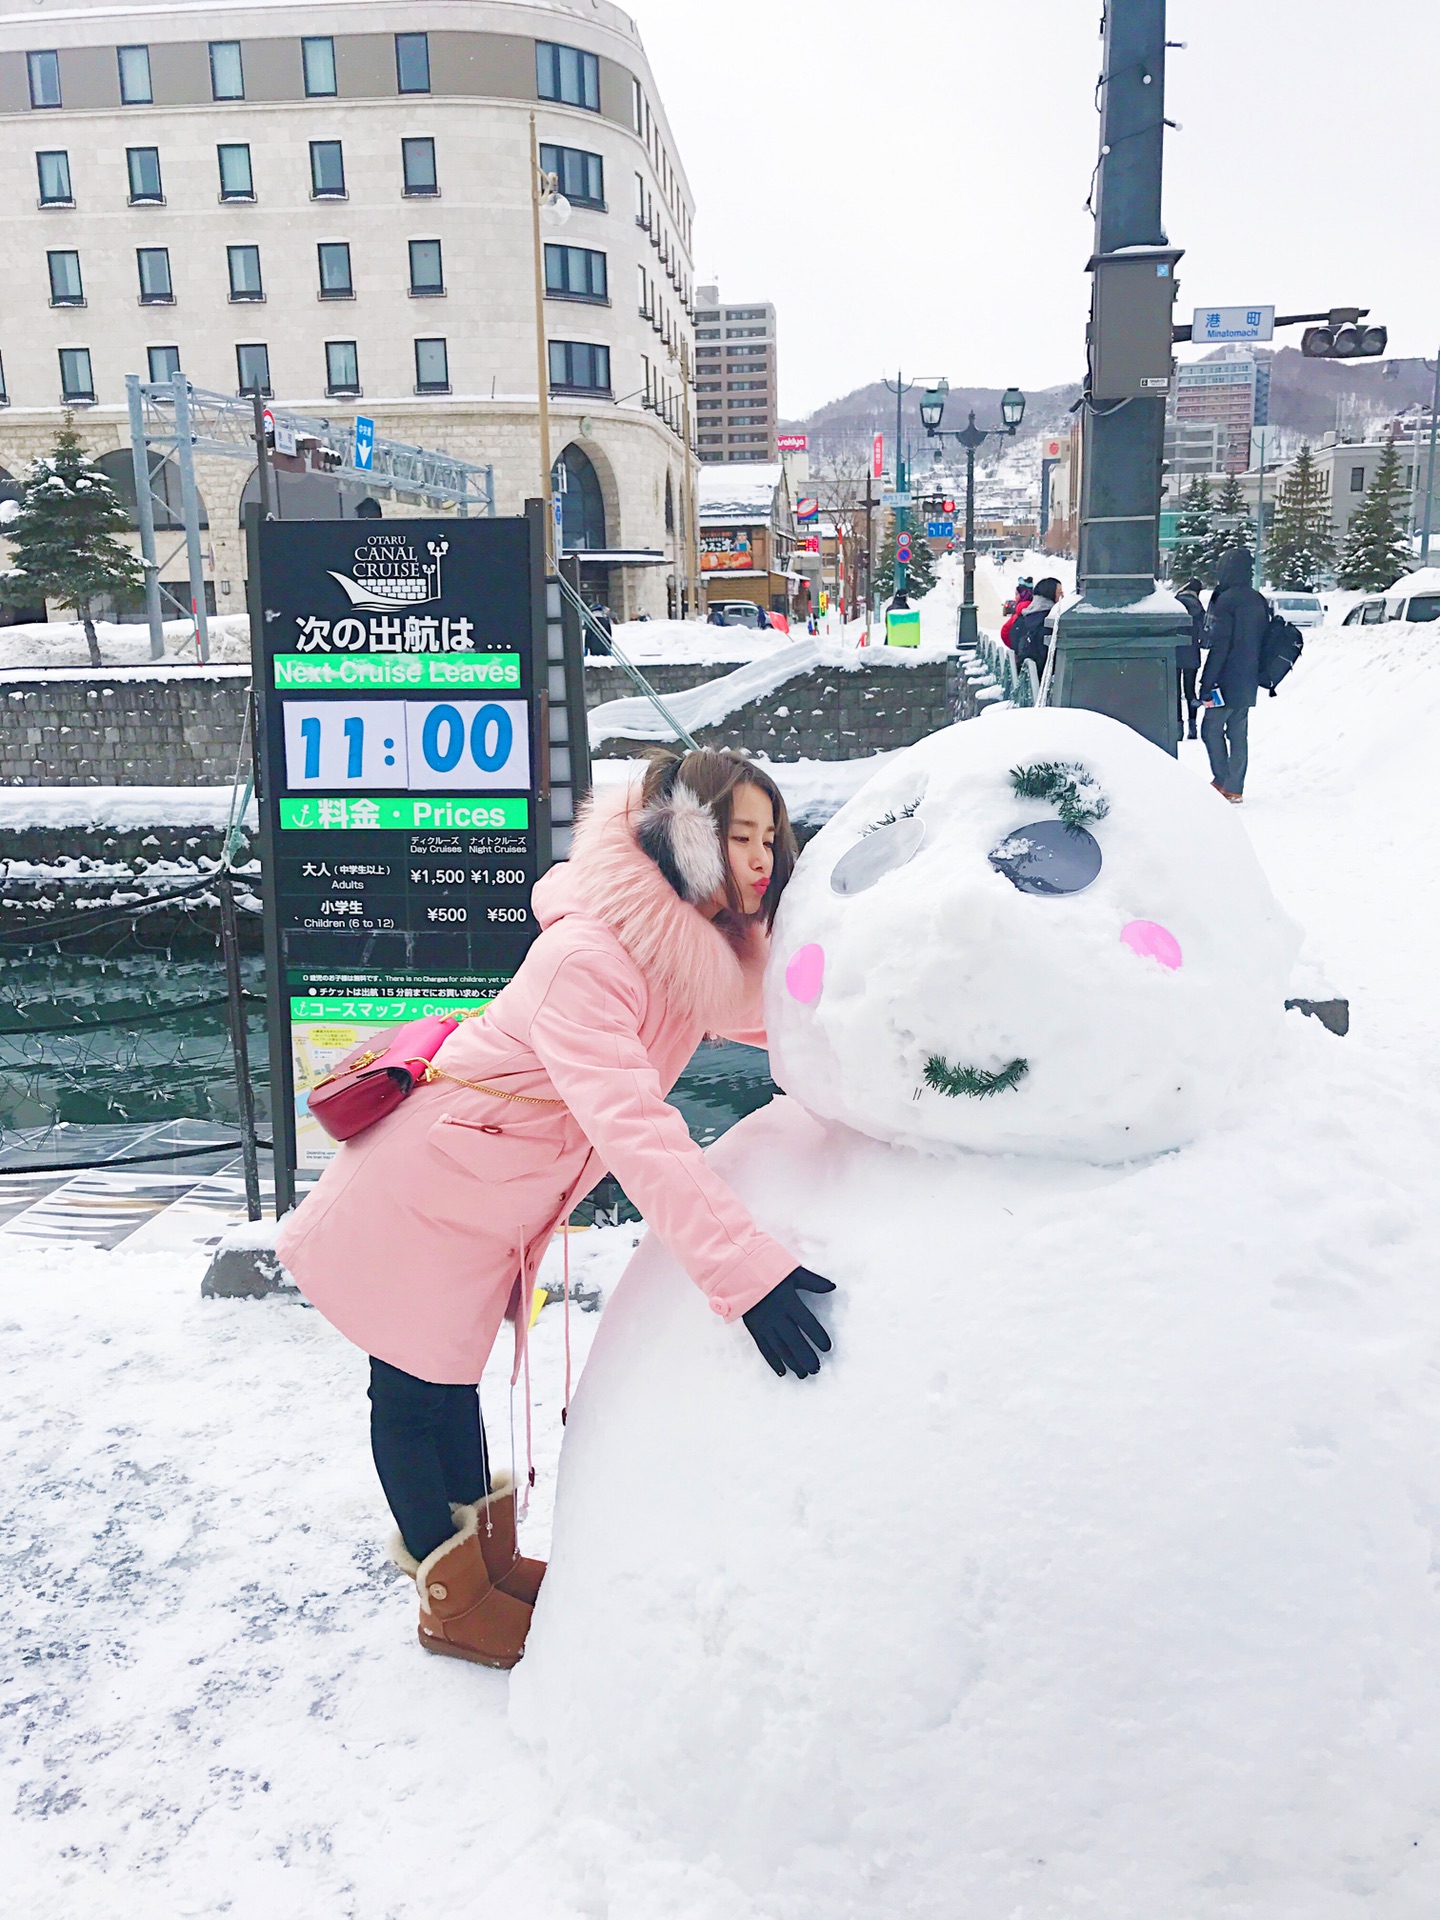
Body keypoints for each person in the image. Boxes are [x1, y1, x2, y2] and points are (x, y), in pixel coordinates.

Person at [276, 750, 835, 1670]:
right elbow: (637, 1133)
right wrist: (747, 1273)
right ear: (679, 839)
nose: (761, 857)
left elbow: (770, 1019)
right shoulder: (589, 958)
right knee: (414, 1392)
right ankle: (451, 1599)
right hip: (423, 1191)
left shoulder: (682, 950)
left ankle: (487, 1567)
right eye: (737, 836)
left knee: (446, 1380)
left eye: (770, 836)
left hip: (476, 1195)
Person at [1199, 548, 1269, 803]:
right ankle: (1235, 787)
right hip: (1249, 677)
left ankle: (1221, 779)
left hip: (1224, 678)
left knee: (1211, 729)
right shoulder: (1257, 599)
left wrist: (1207, 683)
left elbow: (1220, 646)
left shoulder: (1226, 600)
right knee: (1238, 733)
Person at [1011, 577, 1063, 683]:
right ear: (1050, 595)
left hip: (1025, 680)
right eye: (1059, 592)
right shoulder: (1050, 621)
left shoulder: (1023, 617)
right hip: (1043, 682)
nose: (1063, 596)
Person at [1174, 577, 1205, 740]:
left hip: (1174, 652)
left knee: (1175, 692)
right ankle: (1193, 727)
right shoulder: (1199, 609)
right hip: (1192, 655)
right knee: (1190, 691)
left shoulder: (1174, 604)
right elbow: (1205, 635)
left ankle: (1177, 728)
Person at [1000, 578, 1034, 649]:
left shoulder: (1021, 610)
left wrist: (1015, 647)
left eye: (1016, 594)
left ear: (1023, 595)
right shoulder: (1032, 607)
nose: (1015, 598)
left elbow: (1005, 631)